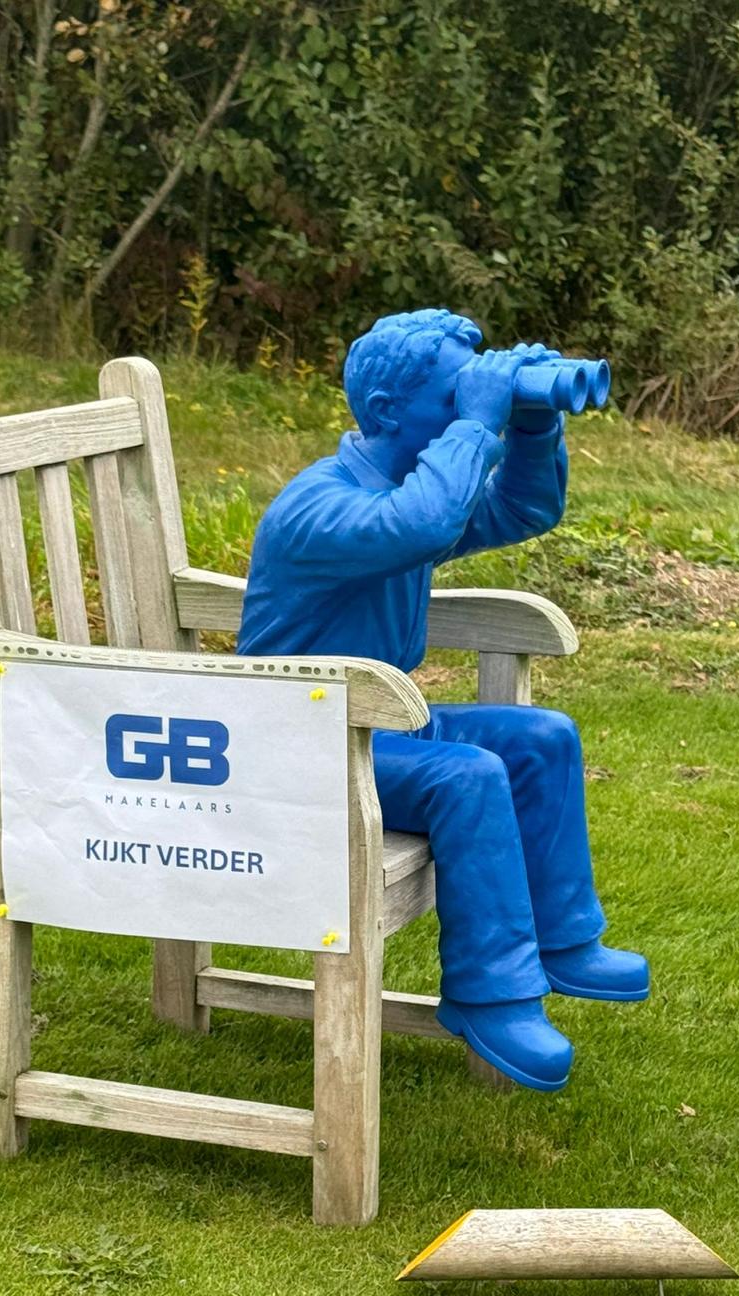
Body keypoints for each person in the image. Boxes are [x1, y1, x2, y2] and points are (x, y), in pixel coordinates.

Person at [237, 308, 648, 1091]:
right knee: (469, 776)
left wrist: (532, 423)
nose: (468, 405)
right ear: (388, 411)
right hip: (297, 739)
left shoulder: (402, 489)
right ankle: (492, 998)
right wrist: (480, 423)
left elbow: (521, 510)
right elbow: (425, 524)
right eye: (452, 395)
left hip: (376, 724)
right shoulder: (321, 507)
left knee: (543, 738)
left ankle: (564, 941)